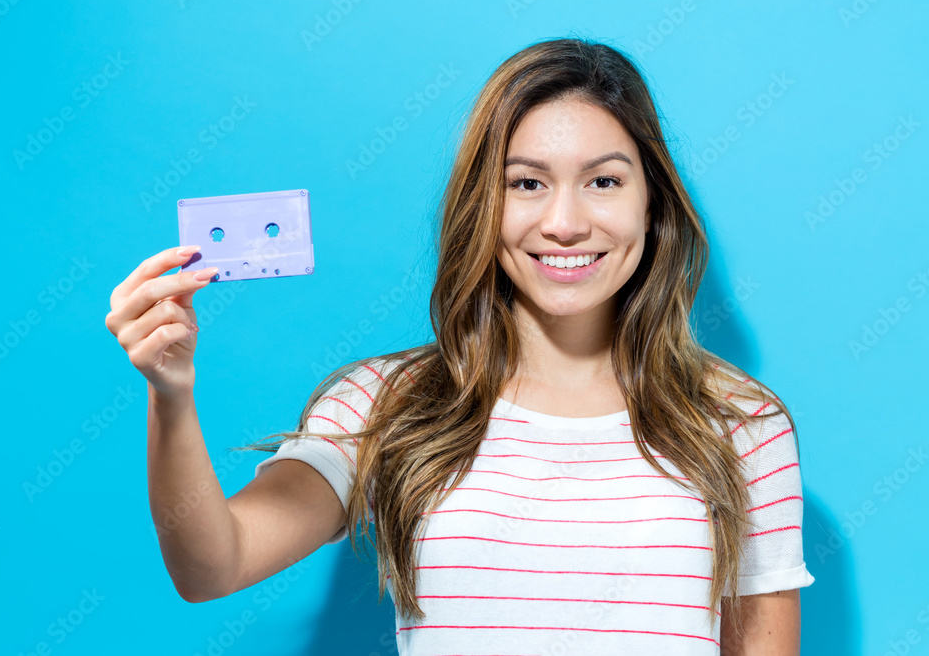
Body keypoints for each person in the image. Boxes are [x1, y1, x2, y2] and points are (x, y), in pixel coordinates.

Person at [105, 36, 814, 655]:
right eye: (527, 183)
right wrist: (171, 396)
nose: (564, 222)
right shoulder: (385, 404)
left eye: (603, 181)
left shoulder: (739, 424)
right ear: (483, 204)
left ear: (651, 202)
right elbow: (212, 565)